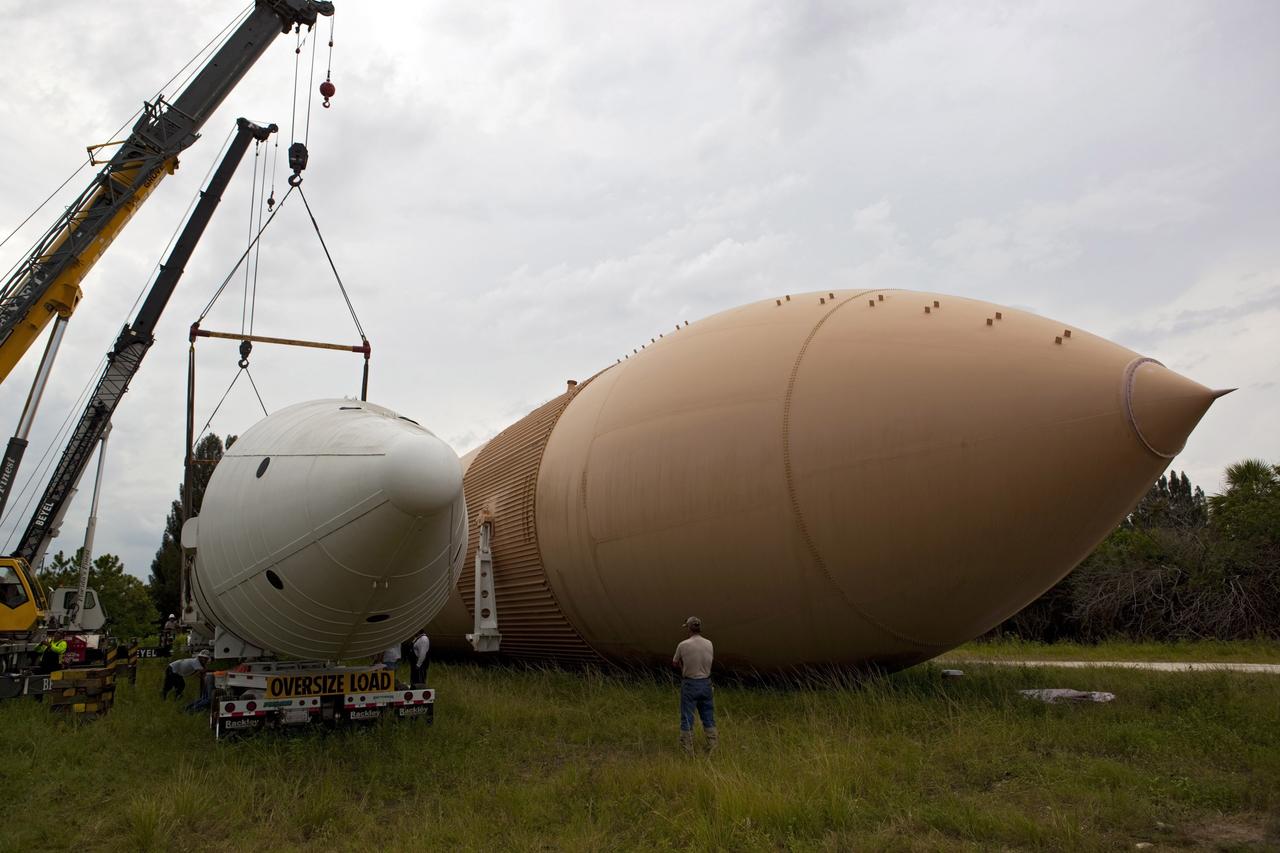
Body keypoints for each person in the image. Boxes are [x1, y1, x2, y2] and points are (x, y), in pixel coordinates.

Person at [672, 616, 717, 755]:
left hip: (690, 683)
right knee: (708, 716)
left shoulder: (683, 645)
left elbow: (675, 662)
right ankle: (713, 746)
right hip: (706, 683)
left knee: (687, 717)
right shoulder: (709, 643)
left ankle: (688, 750)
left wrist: (683, 668)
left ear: (689, 629)